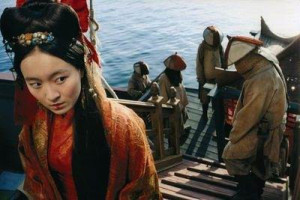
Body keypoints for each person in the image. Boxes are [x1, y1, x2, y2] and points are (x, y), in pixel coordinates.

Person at [0, 1, 162, 199]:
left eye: (60, 79)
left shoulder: (124, 124)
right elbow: (37, 184)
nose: (51, 96)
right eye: (35, 84)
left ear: (81, 67)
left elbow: (145, 190)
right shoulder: (35, 127)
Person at [222, 36, 288, 200]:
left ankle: (249, 193)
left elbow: (249, 115)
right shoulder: (266, 61)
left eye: (238, 62)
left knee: (231, 156)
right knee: (259, 165)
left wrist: (234, 135)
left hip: (262, 131)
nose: (237, 67)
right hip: (267, 128)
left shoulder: (261, 79)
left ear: (246, 59)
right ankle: (253, 191)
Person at [159, 53, 189, 144]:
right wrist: (168, 109)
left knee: (179, 126)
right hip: (171, 108)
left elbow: (181, 89)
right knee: (172, 130)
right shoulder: (163, 78)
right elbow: (163, 97)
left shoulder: (178, 75)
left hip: (179, 105)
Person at [196, 26, 224, 121]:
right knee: (205, 98)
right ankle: (204, 114)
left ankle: (215, 114)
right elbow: (199, 63)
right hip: (206, 77)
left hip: (217, 77)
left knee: (217, 98)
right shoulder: (202, 47)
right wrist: (201, 78)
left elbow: (223, 59)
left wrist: (224, 73)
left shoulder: (219, 46)